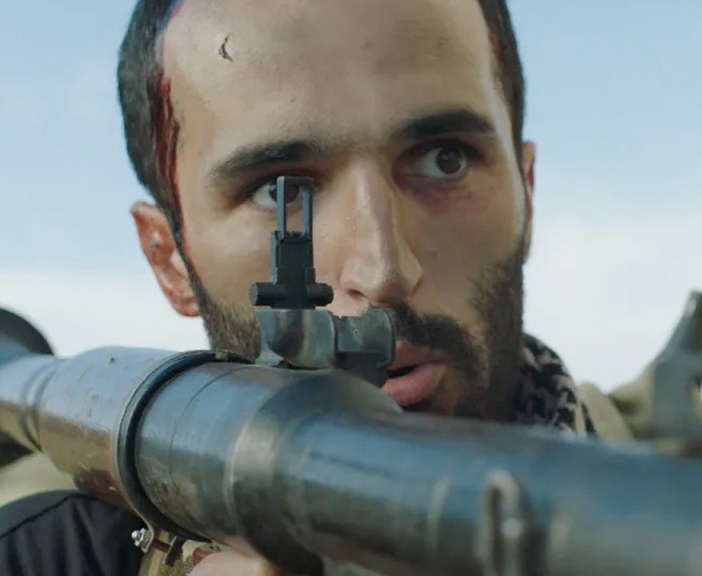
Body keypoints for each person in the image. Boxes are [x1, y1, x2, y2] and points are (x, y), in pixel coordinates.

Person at [0, 0, 653, 574]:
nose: (383, 271)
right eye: (276, 189)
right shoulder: (53, 555)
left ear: (527, 196)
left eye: (444, 160)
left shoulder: (691, 502)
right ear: (168, 258)